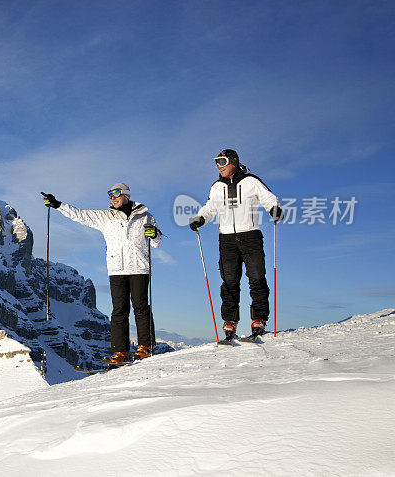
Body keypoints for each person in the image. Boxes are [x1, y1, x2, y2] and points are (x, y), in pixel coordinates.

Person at [42, 183, 161, 364]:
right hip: (116, 269)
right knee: (119, 311)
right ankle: (120, 352)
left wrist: (154, 235)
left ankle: (146, 346)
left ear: (126, 196)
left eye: (116, 195)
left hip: (139, 267)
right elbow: (80, 215)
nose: (112, 199)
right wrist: (58, 205)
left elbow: (157, 243)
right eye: (110, 196)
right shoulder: (105, 217)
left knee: (141, 307)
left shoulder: (145, 216)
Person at [188, 149, 283, 339]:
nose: (218, 166)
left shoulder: (251, 181)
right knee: (229, 282)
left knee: (256, 278)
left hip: (250, 236)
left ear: (233, 162)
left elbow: (268, 198)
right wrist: (200, 218)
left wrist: (274, 209)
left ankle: (259, 319)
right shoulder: (216, 187)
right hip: (227, 239)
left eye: (222, 161)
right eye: (216, 162)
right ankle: (230, 322)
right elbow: (210, 208)